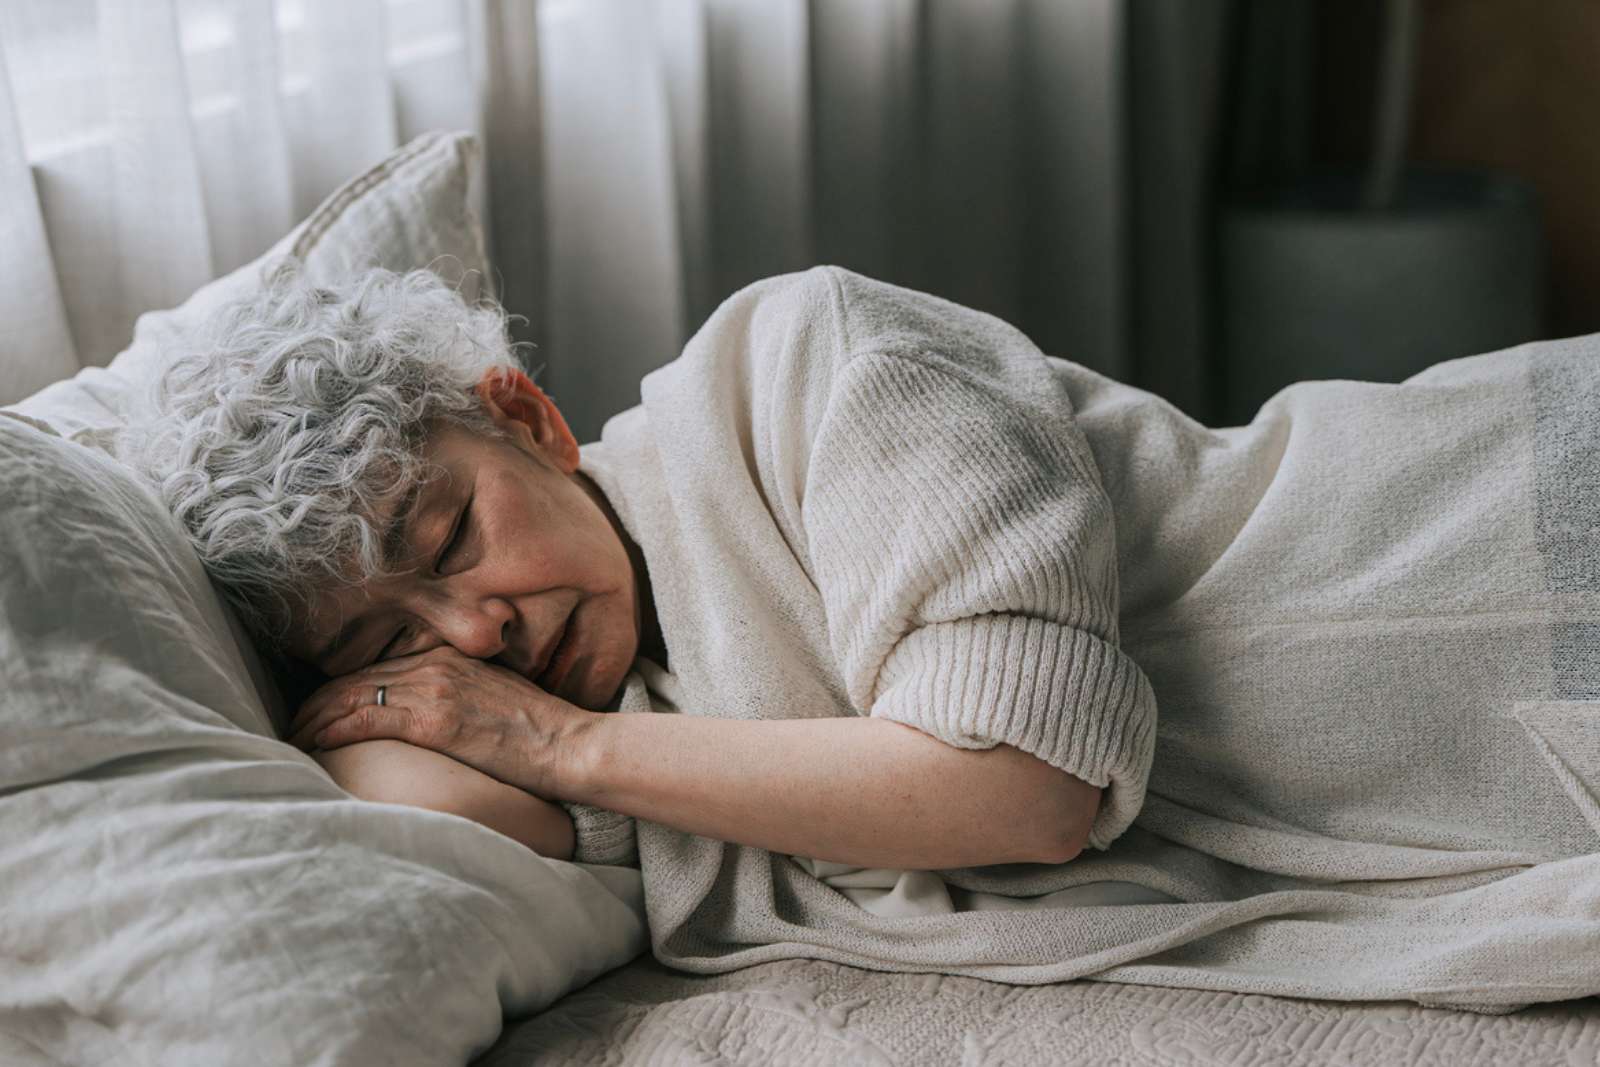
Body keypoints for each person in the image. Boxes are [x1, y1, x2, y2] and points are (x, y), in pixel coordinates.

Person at [120, 258, 1131, 874]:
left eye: (450, 538)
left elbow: (1028, 785)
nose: (474, 637)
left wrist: (559, 743)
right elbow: (433, 806)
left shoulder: (808, 364)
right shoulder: (583, 721)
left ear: (530, 419)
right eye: (389, 640)